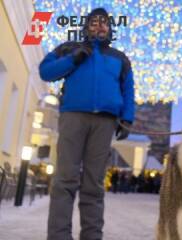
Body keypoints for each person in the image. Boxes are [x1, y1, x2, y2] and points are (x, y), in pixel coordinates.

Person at [39, 8, 134, 240]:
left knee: (94, 184)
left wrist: (127, 117)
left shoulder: (120, 58)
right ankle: (59, 236)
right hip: (73, 117)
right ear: (86, 27)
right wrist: (73, 59)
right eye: (94, 22)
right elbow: (45, 71)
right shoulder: (68, 48)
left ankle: (92, 236)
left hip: (105, 122)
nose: (99, 26)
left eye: (104, 23)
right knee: (65, 180)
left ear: (110, 29)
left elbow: (128, 89)